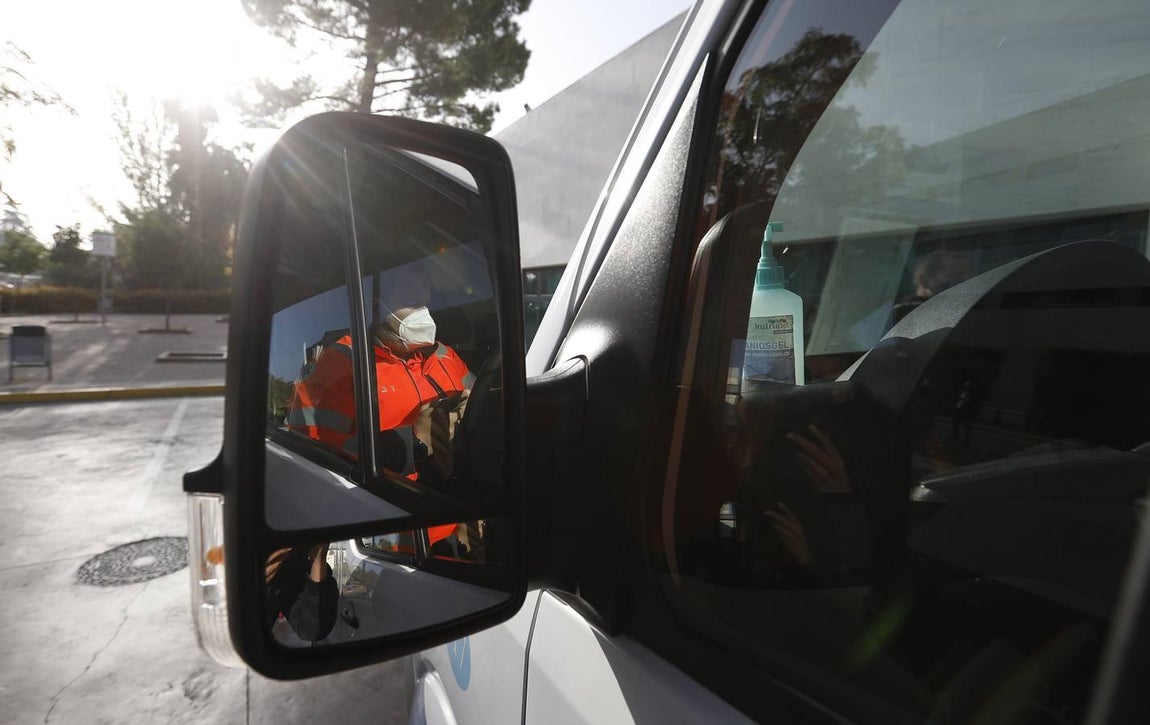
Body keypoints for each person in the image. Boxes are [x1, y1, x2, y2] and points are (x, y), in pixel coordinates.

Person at [287, 304, 474, 481]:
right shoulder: (340, 362)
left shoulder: (446, 355)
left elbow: (482, 400)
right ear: (380, 304)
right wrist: (413, 443)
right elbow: (313, 457)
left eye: (425, 300)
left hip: (460, 482)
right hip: (390, 494)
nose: (423, 309)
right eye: (412, 301)